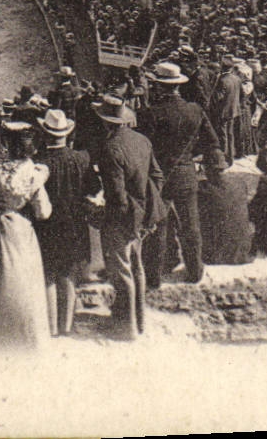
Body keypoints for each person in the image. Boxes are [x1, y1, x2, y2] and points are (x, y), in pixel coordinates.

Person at [137, 61, 216, 286]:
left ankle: (154, 276)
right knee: (190, 224)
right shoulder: (195, 110)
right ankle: (195, 271)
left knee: (158, 226)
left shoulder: (150, 113)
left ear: (160, 86)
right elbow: (212, 142)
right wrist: (188, 155)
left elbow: (144, 148)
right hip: (186, 173)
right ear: (178, 85)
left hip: (159, 176)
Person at [0, 123, 51, 348]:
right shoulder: (33, 173)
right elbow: (43, 212)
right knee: (23, 282)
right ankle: (22, 336)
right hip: (19, 228)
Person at [95, 93, 164, 340]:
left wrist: (118, 220)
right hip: (143, 216)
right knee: (137, 268)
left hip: (123, 219)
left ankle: (126, 327)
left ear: (105, 122)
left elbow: (117, 196)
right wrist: (146, 212)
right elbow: (157, 176)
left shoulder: (109, 148)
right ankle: (140, 322)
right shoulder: (142, 140)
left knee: (122, 272)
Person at [33, 108, 98, 336]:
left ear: (45, 133)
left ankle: (51, 328)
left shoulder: (38, 162)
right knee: (69, 274)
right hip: (74, 225)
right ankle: (66, 325)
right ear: (67, 134)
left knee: (49, 275)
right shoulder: (81, 158)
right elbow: (94, 190)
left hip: (47, 227)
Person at [196, 153, 253, 265]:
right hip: (243, 252)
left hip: (215, 255)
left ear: (204, 168)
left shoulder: (201, 188)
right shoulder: (240, 183)